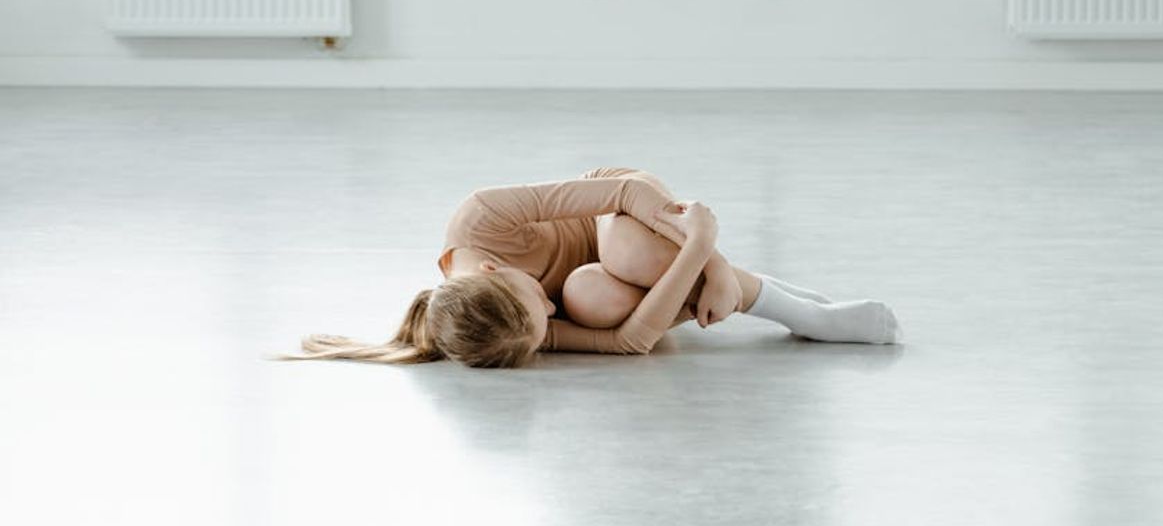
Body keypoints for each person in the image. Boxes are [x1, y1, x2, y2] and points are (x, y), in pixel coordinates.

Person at [275, 167, 901, 369]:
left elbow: (624, 190)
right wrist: (701, 251)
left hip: (625, 215)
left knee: (624, 255)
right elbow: (631, 341)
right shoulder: (511, 323)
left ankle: (799, 312)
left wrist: (701, 248)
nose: (548, 314)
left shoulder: (483, 218)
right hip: (628, 262)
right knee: (591, 297)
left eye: (533, 300)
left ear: (491, 268)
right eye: (542, 323)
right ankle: (762, 293)